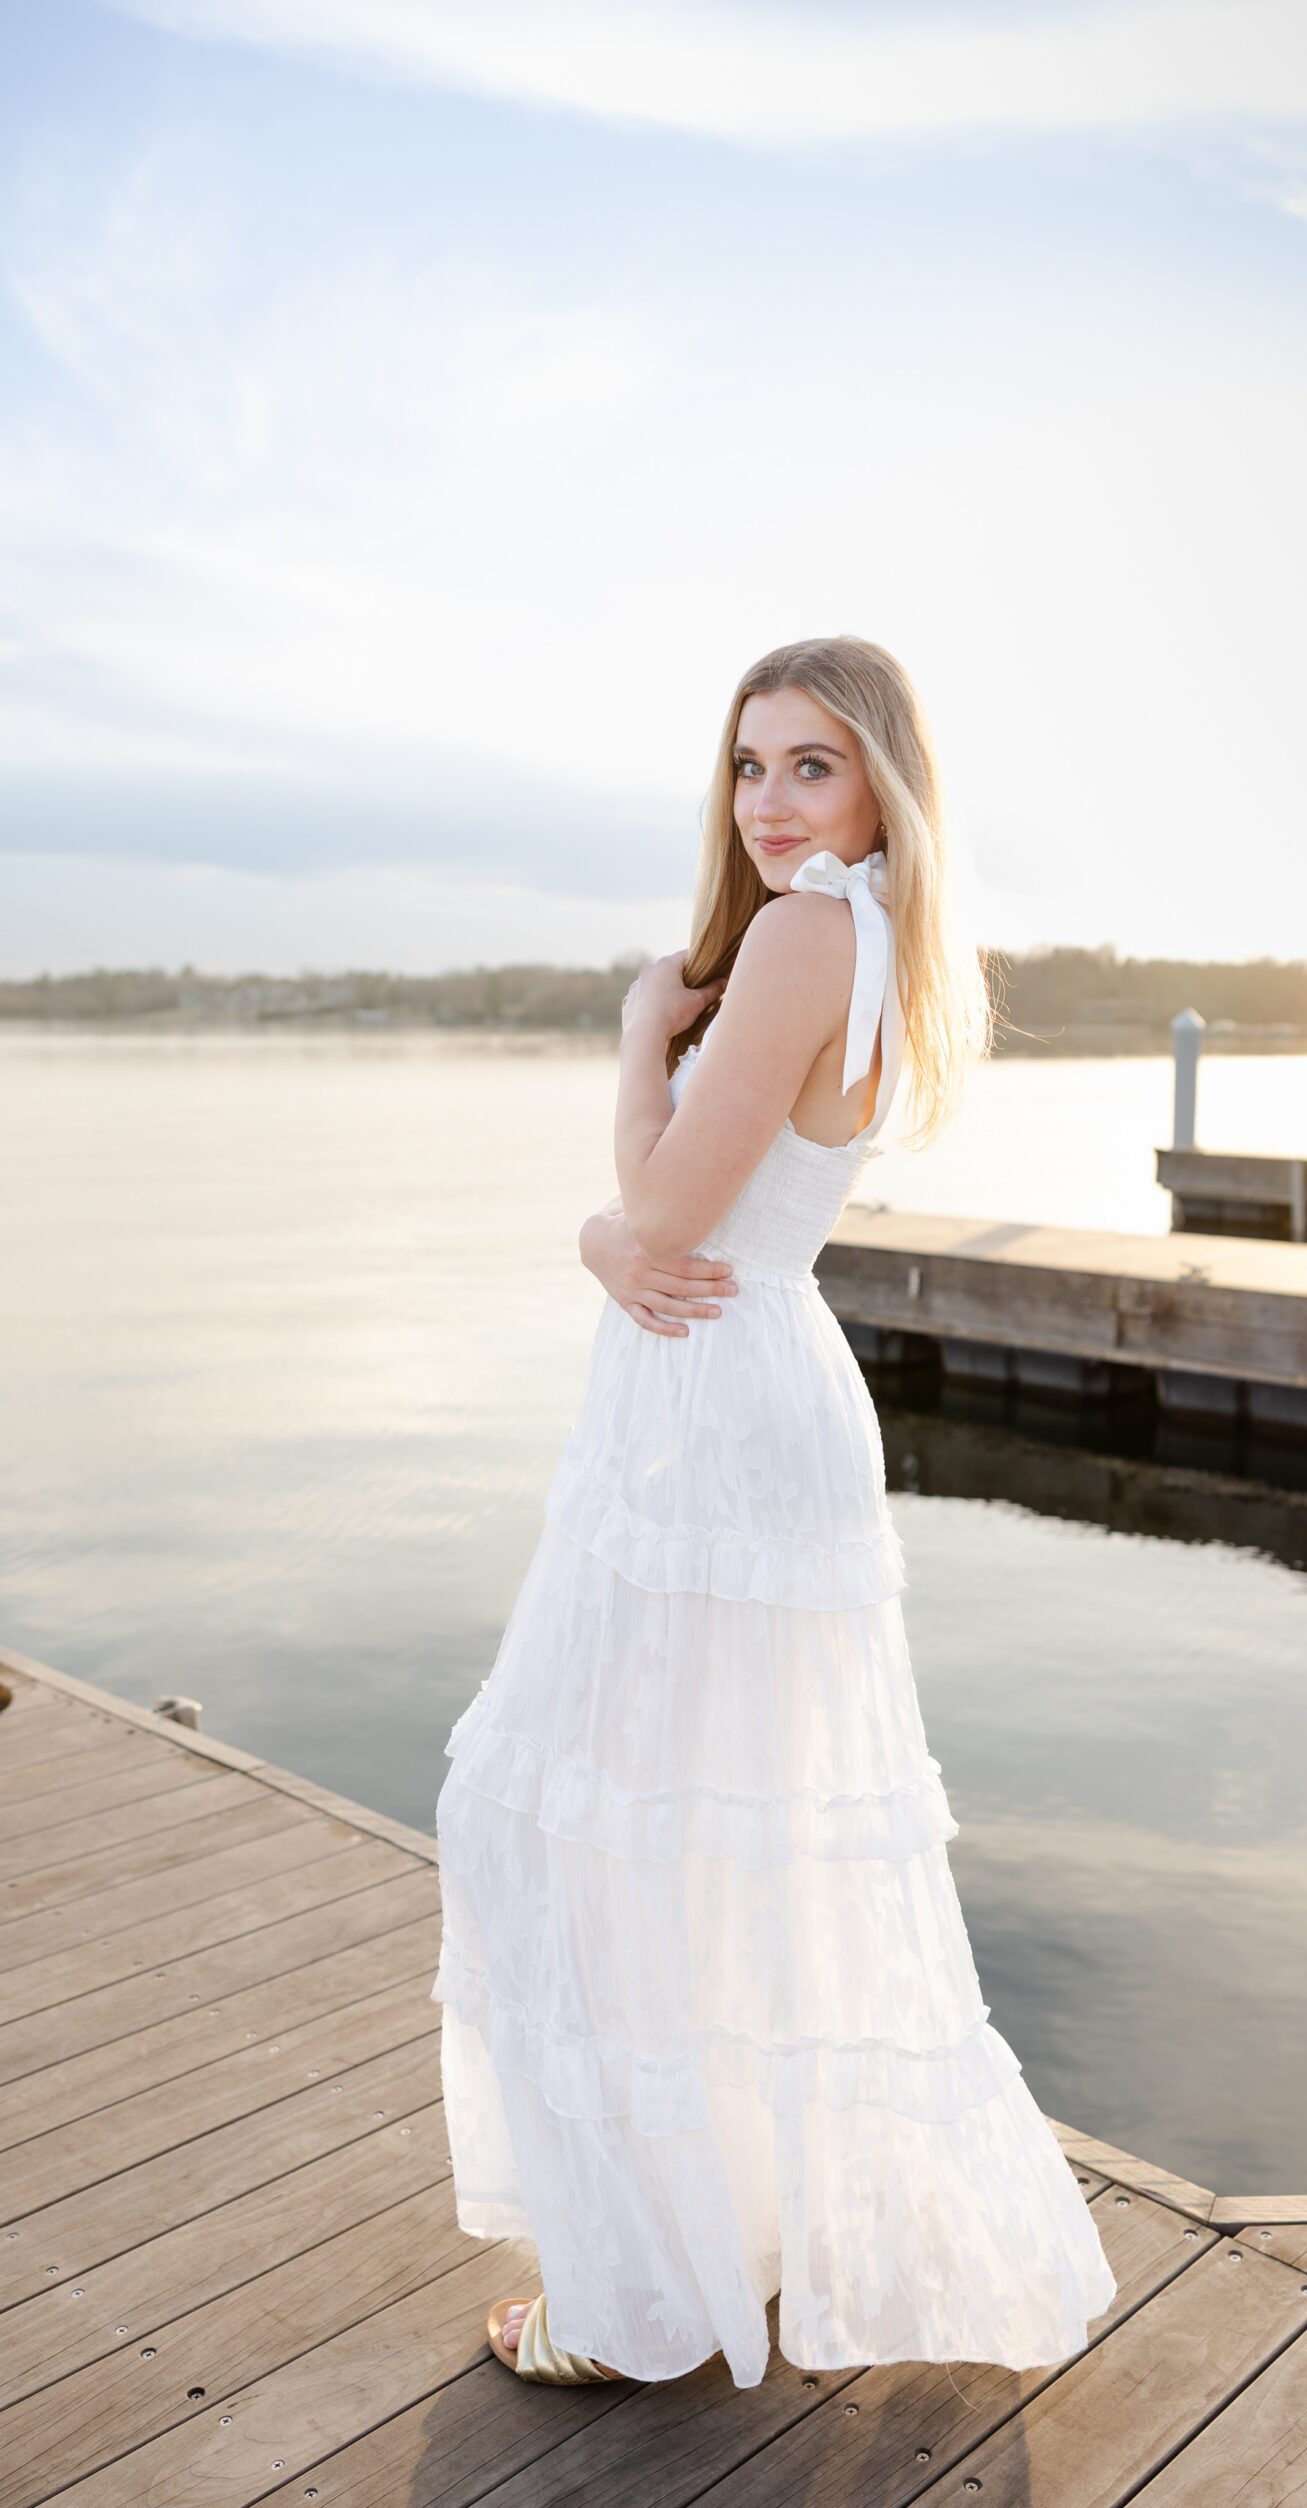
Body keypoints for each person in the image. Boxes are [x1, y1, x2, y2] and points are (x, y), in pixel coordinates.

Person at [434, 634, 1114, 2390]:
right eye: (747, 766)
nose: (765, 804)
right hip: (750, 1380)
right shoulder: (879, 935)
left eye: (808, 765)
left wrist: (625, 1058)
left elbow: (659, 1210)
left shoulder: (812, 931)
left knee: (550, 1826)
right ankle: (708, 2234)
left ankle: (626, 2295)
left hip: (708, 1394)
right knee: (709, 1836)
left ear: (883, 780)